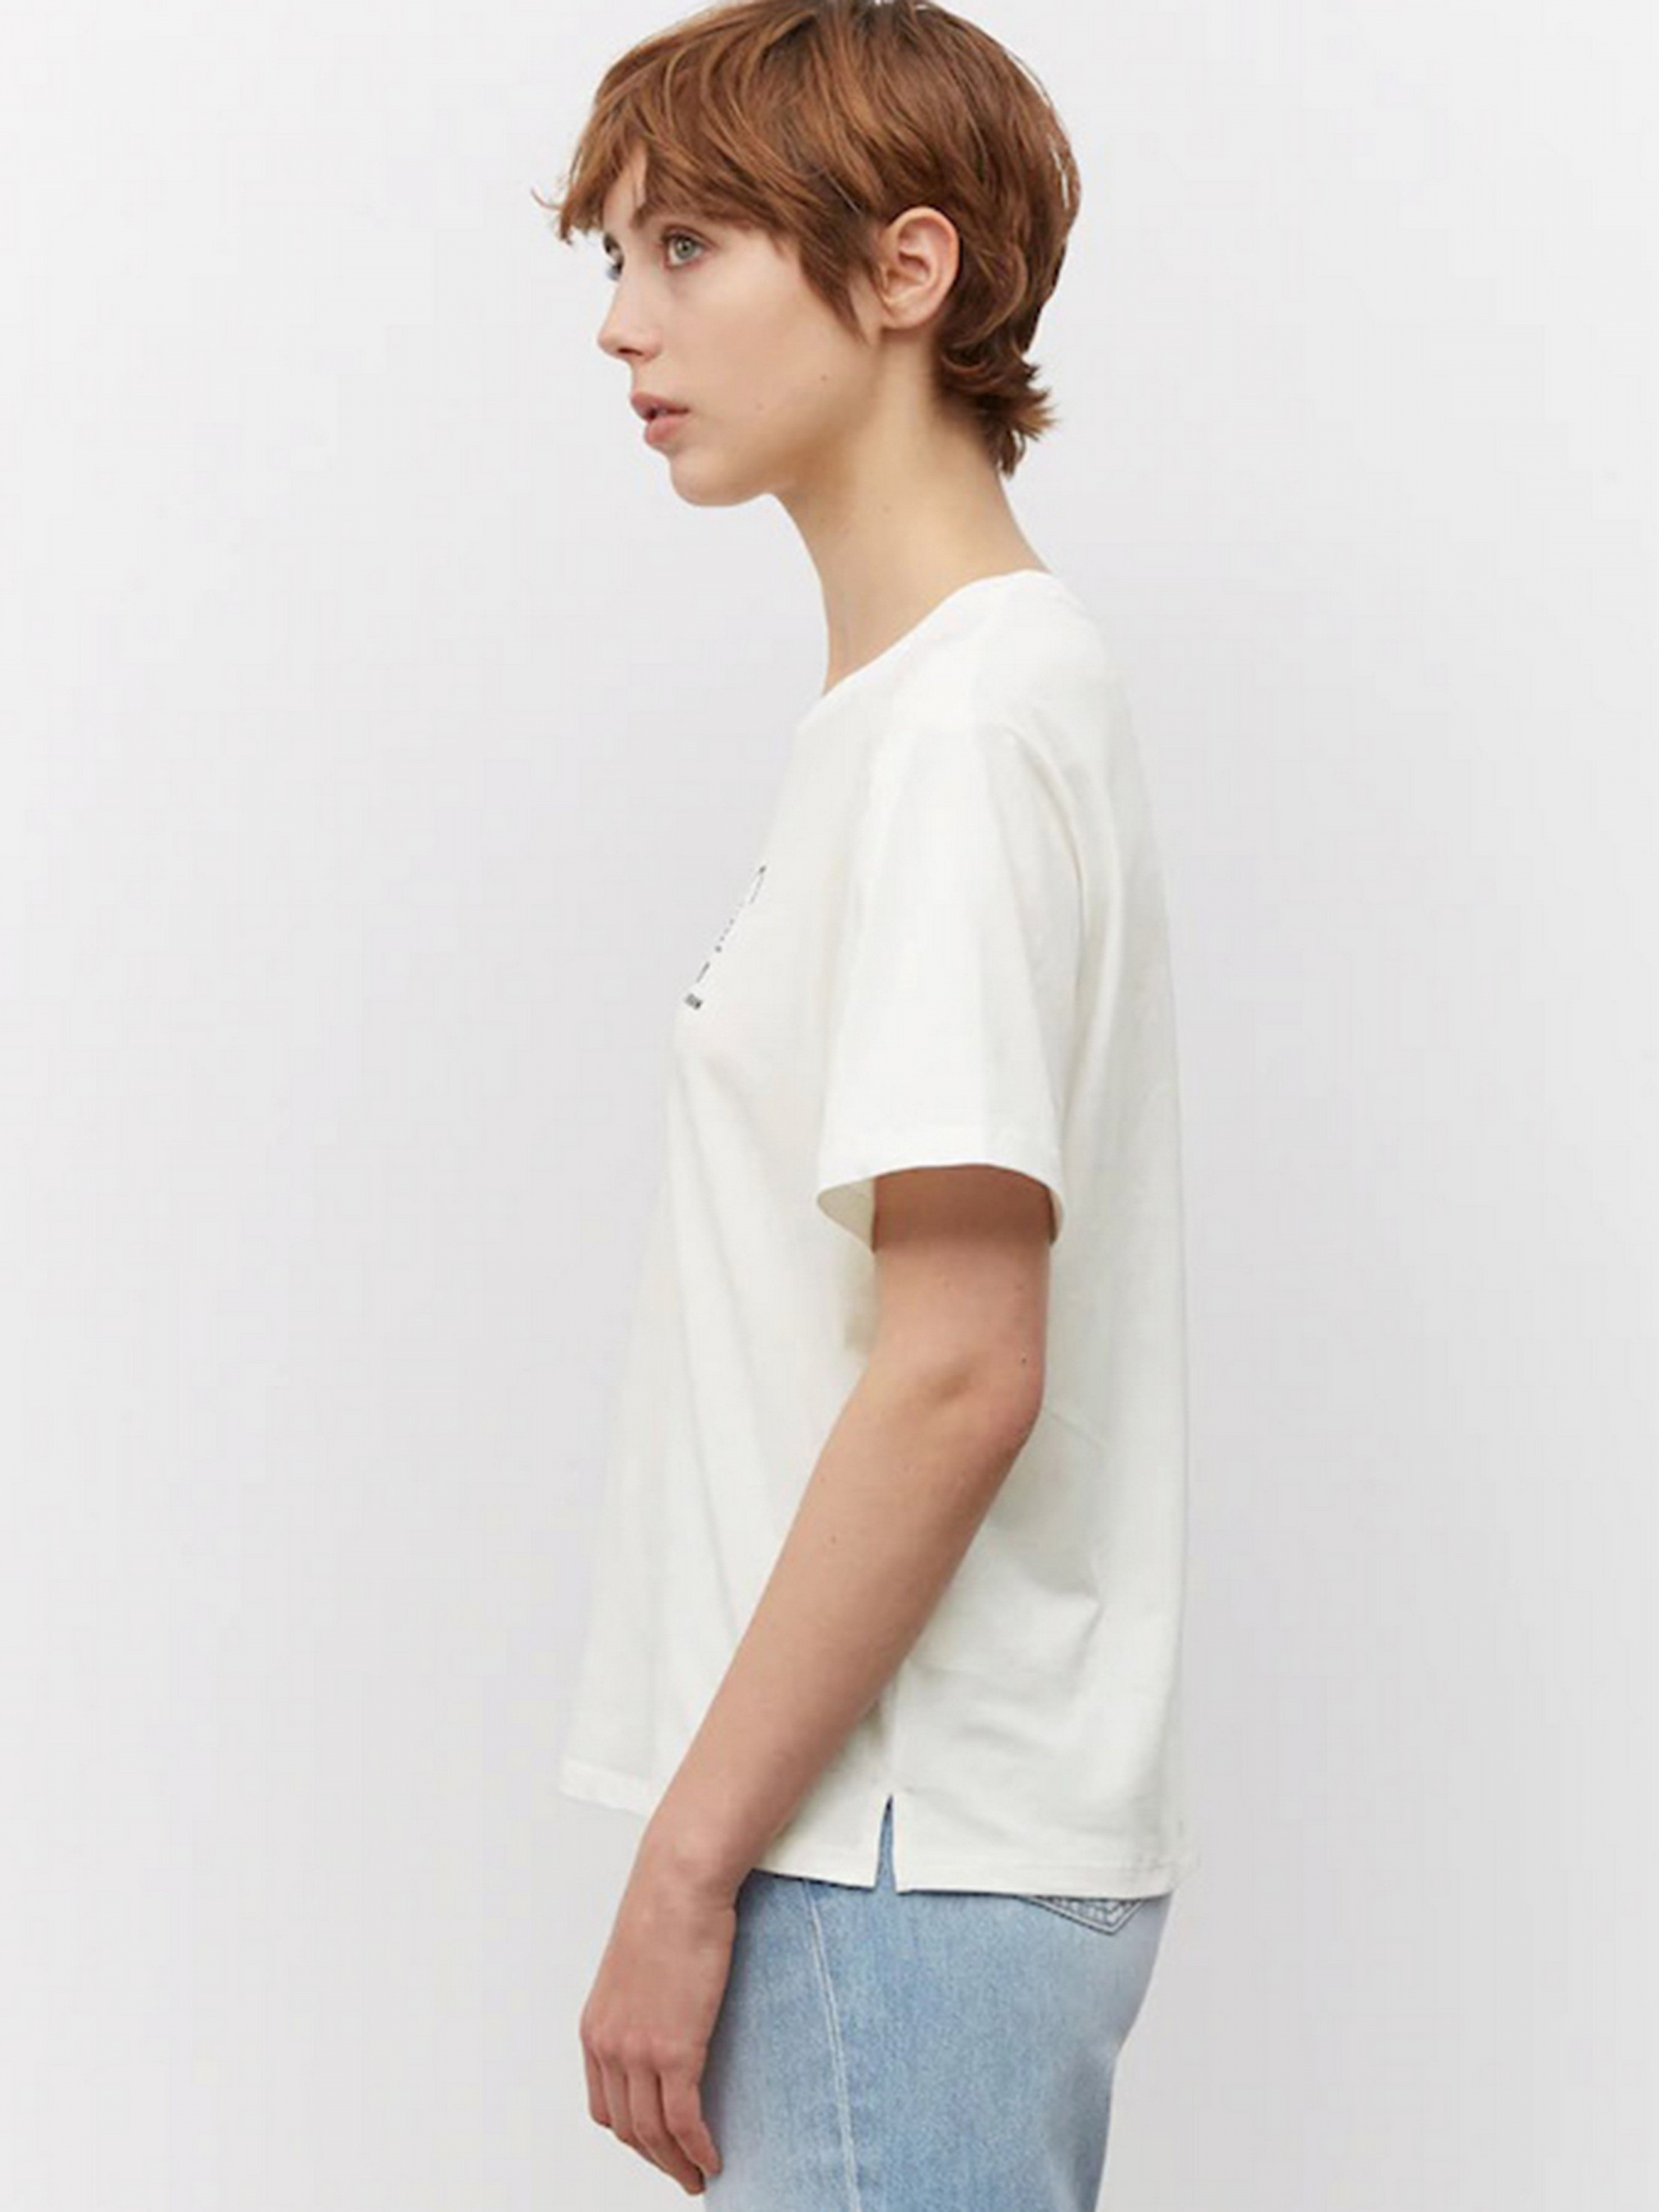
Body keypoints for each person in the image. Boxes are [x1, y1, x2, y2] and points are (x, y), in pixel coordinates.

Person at [538, 2, 1199, 2201]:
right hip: (889, 1846)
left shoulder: (960, 731)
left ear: (908, 270)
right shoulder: (926, 713)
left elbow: (957, 1368)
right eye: (615, 258)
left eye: (687, 248)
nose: (624, 325)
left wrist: (687, 1861)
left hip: (887, 1856)